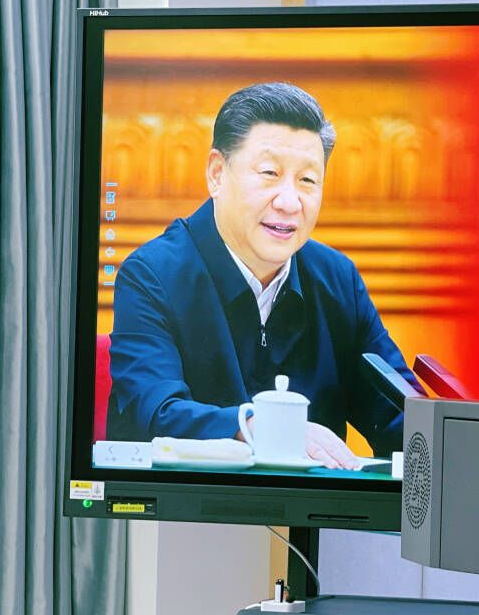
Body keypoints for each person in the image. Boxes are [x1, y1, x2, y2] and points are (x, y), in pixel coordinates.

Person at [106, 82, 422, 466]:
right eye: (270, 173)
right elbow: (155, 414)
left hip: (313, 506)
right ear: (217, 174)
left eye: (308, 181)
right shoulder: (152, 275)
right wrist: (265, 428)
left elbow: (404, 417)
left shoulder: (338, 280)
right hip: (189, 503)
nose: (289, 202)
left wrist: (452, 431)